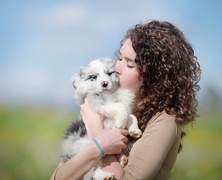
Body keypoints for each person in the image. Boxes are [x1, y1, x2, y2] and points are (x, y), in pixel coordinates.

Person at [51, 20, 201, 180]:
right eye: (120, 58)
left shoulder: (164, 122)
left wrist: (98, 134)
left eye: (129, 64)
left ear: (154, 78)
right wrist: (98, 142)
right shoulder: (108, 108)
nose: (116, 68)